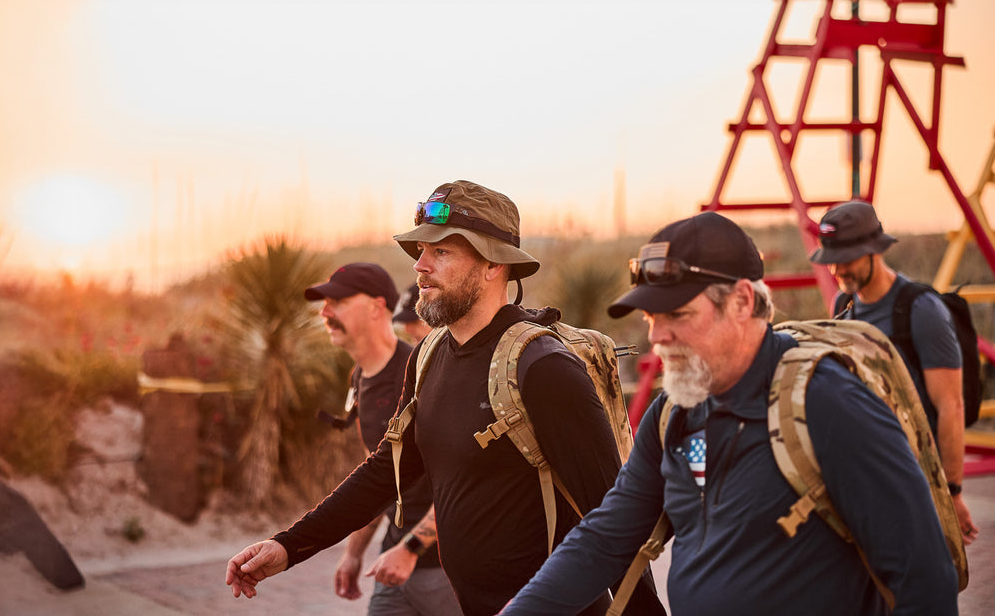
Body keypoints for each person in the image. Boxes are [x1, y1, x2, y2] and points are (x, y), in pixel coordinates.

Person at [225, 180, 664, 616]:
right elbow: (386, 470)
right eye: (420, 252)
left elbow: (614, 520)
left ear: (494, 264)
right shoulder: (429, 355)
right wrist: (288, 546)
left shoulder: (543, 367)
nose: (420, 266)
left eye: (442, 251)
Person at [500, 211, 959, 615]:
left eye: (676, 314)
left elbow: (924, 582)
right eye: (649, 319)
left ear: (742, 301)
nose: (658, 337)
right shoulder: (673, 415)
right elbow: (604, 540)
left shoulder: (827, 402)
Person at [810, 199, 979, 545]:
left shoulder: (921, 310)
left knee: (924, 582)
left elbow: (951, 406)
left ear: (875, 251)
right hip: (867, 473)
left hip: (916, 475)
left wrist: (953, 492)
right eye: (831, 262)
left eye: (846, 261)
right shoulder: (843, 306)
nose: (837, 271)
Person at [304, 263, 461, 615]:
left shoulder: (423, 374)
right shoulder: (358, 378)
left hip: (446, 567)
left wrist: (411, 549)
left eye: (338, 301)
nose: (325, 311)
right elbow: (376, 475)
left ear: (377, 308)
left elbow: (461, 477)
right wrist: (353, 553)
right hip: (392, 564)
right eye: (324, 304)